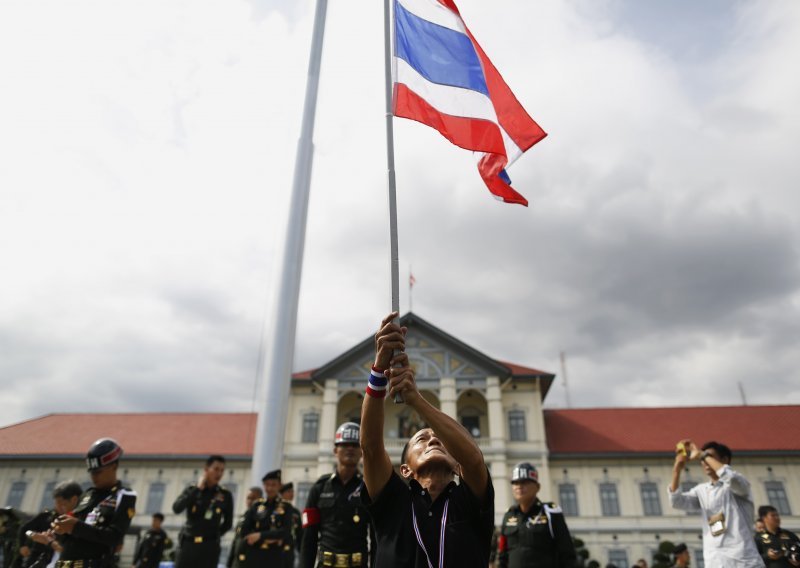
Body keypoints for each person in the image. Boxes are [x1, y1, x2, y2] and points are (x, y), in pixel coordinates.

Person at [360, 312, 495, 567]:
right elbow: (370, 447)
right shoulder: (394, 502)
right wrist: (379, 369)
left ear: (457, 465)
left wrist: (416, 400)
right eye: (421, 438)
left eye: (441, 441)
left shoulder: (468, 502)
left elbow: (474, 459)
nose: (433, 440)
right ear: (405, 469)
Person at [668, 439, 764, 567]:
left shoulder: (739, 484)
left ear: (724, 460)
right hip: (716, 561)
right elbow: (676, 501)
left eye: (710, 457)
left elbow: (730, 478)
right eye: (703, 460)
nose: (705, 462)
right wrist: (677, 470)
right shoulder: (701, 490)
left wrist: (703, 455)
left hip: (743, 560)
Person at [50, 438, 138, 567]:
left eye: (98, 472)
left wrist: (76, 526)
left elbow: (115, 537)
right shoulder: (87, 495)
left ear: (114, 466)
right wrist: (60, 531)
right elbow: (72, 538)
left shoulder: (123, 496)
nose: (93, 476)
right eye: (91, 472)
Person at [300, 422, 374, 568]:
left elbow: (376, 537)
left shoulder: (368, 489)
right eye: (345, 444)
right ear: (335, 450)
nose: (350, 449)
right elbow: (309, 537)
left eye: (355, 445)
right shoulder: (319, 488)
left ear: (361, 452)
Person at [497, 462, 576, 568]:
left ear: (537, 487)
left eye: (525, 482)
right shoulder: (509, 516)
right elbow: (503, 556)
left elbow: (567, 555)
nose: (519, 486)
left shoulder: (550, 513)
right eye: (515, 483)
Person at [172, 455, 234, 568]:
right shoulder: (192, 489)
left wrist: (214, 536)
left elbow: (228, 523)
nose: (219, 474)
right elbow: (177, 508)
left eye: (222, 470)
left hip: (209, 548)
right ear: (206, 469)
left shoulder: (225, 495)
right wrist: (197, 489)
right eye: (216, 469)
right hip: (188, 546)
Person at [17, 480, 83, 568]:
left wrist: (49, 541)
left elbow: (71, 552)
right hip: (40, 559)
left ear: (74, 500)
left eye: (61, 503)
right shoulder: (47, 516)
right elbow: (25, 529)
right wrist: (27, 540)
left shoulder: (81, 522)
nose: (58, 506)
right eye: (56, 502)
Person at [235, 470, 292, 568]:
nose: (270, 488)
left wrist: (259, 535)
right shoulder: (256, 505)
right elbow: (244, 530)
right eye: (267, 485)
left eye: (273, 485)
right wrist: (273, 538)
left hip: (275, 557)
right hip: (254, 555)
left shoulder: (286, 507)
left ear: (279, 486)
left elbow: (285, 532)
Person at [227, 487, 262, 568]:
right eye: (248, 498)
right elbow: (235, 544)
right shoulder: (242, 518)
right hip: (238, 563)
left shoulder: (263, 519)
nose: (250, 501)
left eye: (253, 498)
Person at [279, 483, 302, 568]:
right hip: (278, 548)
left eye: (292, 491)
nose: (292, 494)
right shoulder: (277, 510)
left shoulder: (295, 512)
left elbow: (299, 533)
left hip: (292, 548)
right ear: (282, 494)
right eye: (289, 491)